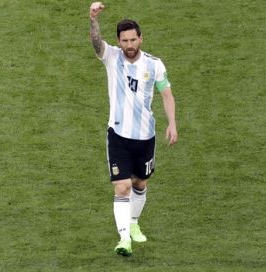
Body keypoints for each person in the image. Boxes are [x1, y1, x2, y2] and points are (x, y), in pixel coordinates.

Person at [89, 2, 178, 256]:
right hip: (118, 134)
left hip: (145, 136)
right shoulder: (112, 57)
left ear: (140, 39)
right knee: (122, 187)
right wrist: (93, 19)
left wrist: (172, 123)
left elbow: (167, 95)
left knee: (140, 183)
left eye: (133, 40)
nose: (129, 45)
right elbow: (97, 44)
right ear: (118, 40)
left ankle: (134, 223)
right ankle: (124, 239)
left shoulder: (154, 64)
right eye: (124, 40)